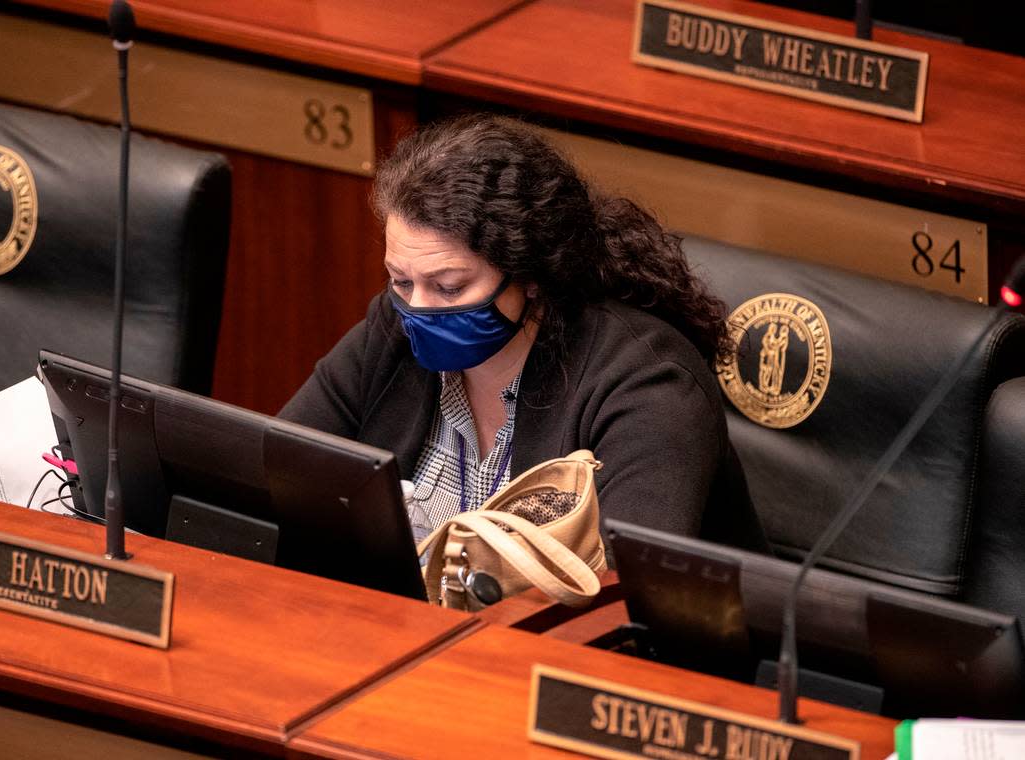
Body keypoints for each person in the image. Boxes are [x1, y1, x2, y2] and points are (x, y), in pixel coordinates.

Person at [280, 115, 766, 551]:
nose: (418, 310)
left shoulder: (651, 385)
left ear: (531, 277)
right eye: (401, 281)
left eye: (450, 287)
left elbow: (617, 598)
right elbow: (278, 474)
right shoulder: (392, 328)